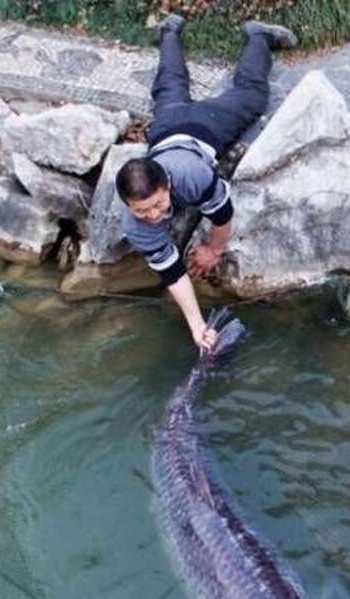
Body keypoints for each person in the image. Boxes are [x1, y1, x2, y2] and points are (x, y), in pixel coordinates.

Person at [115, 14, 297, 350]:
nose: (152, 216)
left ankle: (259, 35)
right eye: (142, 211)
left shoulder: (192, 175)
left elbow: (222, 213)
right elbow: (172, 272)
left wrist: (214, 249)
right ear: (128, 205)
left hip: (207, 126)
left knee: (252, 94)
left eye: (157, 204)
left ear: (168, 185)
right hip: (166, 127)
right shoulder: (134, 223)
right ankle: (170, 29)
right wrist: (198, 326)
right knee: (168, 86)